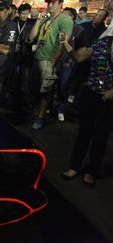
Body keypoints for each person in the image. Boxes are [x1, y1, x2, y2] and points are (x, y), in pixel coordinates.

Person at [61, 21, 113, 187]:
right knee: (84, 132)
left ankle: (91, 171)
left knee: (101, 136)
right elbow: (79, 57)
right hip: (90, 93)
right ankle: (75, 167)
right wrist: (66, 44)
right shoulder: (102, 42)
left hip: (109, 99)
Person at [28, 0, 73, 129]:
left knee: (45, 91)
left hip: (48, 60)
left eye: (53, 2)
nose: (50, 5)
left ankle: (40, 117)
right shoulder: (45, 19)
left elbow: (63, 43)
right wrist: (38, 21)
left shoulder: (65, 19)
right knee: (35, 89)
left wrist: (53, 62)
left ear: (60, 3)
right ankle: (36, 113)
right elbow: (31, 37)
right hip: (37, 57)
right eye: (48, 3)